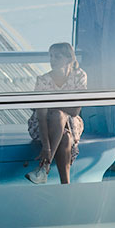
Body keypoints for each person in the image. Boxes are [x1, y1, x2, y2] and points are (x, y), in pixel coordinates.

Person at [26, 42, 87, 185]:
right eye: (51, 56)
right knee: (63, 133)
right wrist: (46, 147)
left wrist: (51, 104)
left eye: (57, 57)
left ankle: (43, 169)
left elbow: (75, 111)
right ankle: (65, 185)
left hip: (71, 123)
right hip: (43, 126)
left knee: (60, 118)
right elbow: (41, 116)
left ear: (69, 58)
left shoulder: (79, 76)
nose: (52, 60)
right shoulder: (43, 80)